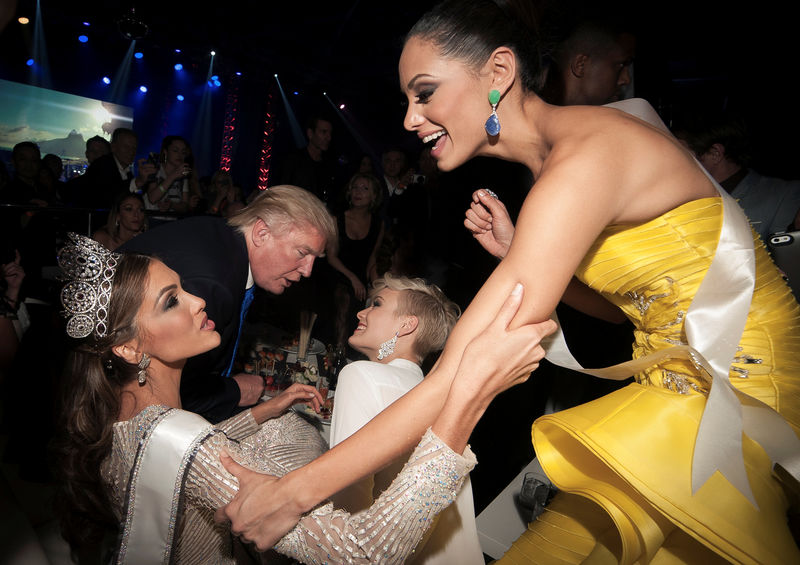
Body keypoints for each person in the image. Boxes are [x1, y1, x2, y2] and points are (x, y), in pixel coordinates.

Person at [218, 1, 800, 563]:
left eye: (425, 92)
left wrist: (291, 493)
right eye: (406, 99)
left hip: (738, 382)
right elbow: (623, 312)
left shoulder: (585, 158)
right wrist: (518, 254)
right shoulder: (561, 163)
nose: (408, 118)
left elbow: (455, 374)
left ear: (498, 71)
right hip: (671, 376)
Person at [51, 232, 552, 563]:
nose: (199, 299)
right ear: (129, 346)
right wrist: (469, 400)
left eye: (183, 288)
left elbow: (189, 457)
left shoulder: (128, 418)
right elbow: (363, 551)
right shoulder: (178, 441)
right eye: (171, 300)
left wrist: (261, 414)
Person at [121, 184, 336, 423]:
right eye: (302, 253)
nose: (308, 271)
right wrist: (233, 390)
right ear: (261, 233)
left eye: (314, 259)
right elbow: (171, 394)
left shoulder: (224, 243)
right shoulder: (211, 285)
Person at [330, 274, 485, 565]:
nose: (361, 312)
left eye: (376, 304)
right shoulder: (440, 397)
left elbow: (348, 504)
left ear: (406, 325)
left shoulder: (362, 374)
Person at [673, 110, 800, 243]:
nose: (672, 159)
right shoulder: (675, 195)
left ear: (714, 154)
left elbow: (786, 255)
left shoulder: (783, 194)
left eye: (680, 152)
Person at [324, 173, 385, 349]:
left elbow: (373, 258)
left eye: (365, 188)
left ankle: (351, 352)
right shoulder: (337, 219)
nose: (358, 192)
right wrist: (353, 278)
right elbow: (331, 256)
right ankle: (338, 352)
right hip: (338, 274)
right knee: (343, 298)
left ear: (374, 195)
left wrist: (376, 287)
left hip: (359, 278)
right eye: (355, 187)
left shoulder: (378, 224)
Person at [143, 135, 201, 217]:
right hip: (152, 218)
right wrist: (173, 176)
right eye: (175, 150)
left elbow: (185, 206)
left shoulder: (184, 175)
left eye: (183, 152)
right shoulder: (155, 169)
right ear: (165, 152)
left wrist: (171, 205)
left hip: (171, 221)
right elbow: (153, 198)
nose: (180, 155)